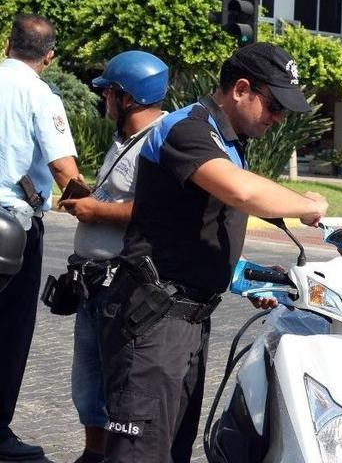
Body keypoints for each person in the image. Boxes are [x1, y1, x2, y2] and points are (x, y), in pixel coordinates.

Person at [98, 43, 328, 463]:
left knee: (171, 450)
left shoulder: (229, 139)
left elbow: (190, 227)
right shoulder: (188, 128)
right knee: (140, 455)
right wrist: (309, 204)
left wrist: (243, 274)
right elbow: (242, 192)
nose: (278, 120)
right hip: (154, 320)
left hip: (186, 320)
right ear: (242, 89)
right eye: (275, 106)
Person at [58, 50, 170, 463]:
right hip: (91, 281)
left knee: (116, 383)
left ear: (125, 97)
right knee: (88, 383)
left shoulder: (158, 142)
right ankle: (93, 454)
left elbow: (157, 211)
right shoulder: (124, 139)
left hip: (119, 285)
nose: (103, 100)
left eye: (107, 93)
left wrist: (97, 210)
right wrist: (92, 200)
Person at [0, 13, 80, 461]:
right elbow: (65, 171)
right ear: (48, 57)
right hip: (10, 229)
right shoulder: (40, 95)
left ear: (9, 44)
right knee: (9, 333)